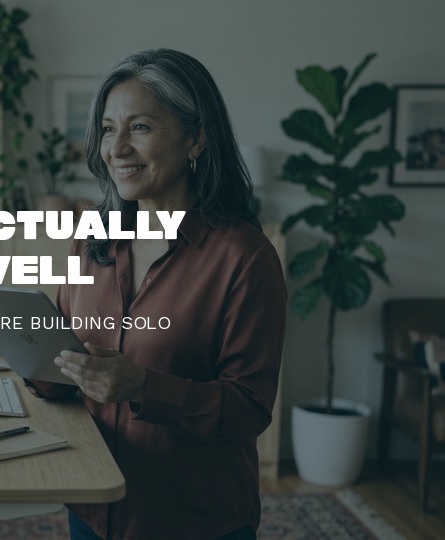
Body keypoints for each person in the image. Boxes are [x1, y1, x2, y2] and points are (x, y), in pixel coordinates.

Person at [24, 49, 287, 539]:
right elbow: (65, 366)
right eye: (108, 129)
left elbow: (249, 408)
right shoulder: (92, 238)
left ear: (197, 137)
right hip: (91, 509)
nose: (117, 148)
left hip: (192, 521)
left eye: (140, 127)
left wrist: (144, 387)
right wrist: (32, 353)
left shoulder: (246, 258)